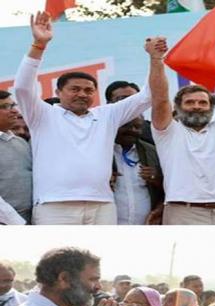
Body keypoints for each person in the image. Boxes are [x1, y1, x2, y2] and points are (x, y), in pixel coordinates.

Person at [16, 12, 153, 224]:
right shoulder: (43, 114)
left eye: (89, 90)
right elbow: (22, 88)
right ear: (58, 91)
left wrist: (156, 59)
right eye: (75, 89)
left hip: (103, 205)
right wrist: (38, 45)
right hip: (54, 206)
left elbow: (148, 96)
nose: (82, 94)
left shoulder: (107, 115)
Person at [148, 35, 215, 225]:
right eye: (190, 102)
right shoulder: (167, 132)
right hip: (183, 212)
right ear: (176, 107)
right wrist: (156, 59)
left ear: (211, 107)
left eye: (202, 102)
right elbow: (159, 98)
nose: (196, 106)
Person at [110, 116, 165, 225]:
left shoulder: (153, 151)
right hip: (107, 224)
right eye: (127, 126)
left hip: (144, 225)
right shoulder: (100, 150)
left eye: (137, 127)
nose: (133, 130)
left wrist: (158, 178)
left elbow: (170, 187)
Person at [0, 91, 32, 224]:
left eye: (13, 105)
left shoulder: (20, 142)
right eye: (6, 107)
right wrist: (17, 223)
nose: (15, 111)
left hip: (31, 218)